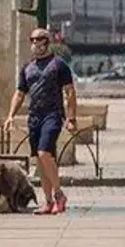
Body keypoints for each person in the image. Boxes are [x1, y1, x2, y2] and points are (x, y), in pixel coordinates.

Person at [4, 27, 78, 215]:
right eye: (32, 40)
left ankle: (59, 195)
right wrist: (10, 115)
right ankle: (48, 201)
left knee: (44, 152)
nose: (35, 43)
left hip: (52, 114)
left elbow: (70, 92)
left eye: (38, 40)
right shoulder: (27, 68)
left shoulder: (58, 65)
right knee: (41, 160)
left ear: (46, 42)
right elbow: (20, 93)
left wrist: (71, 118)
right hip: (34, 116)